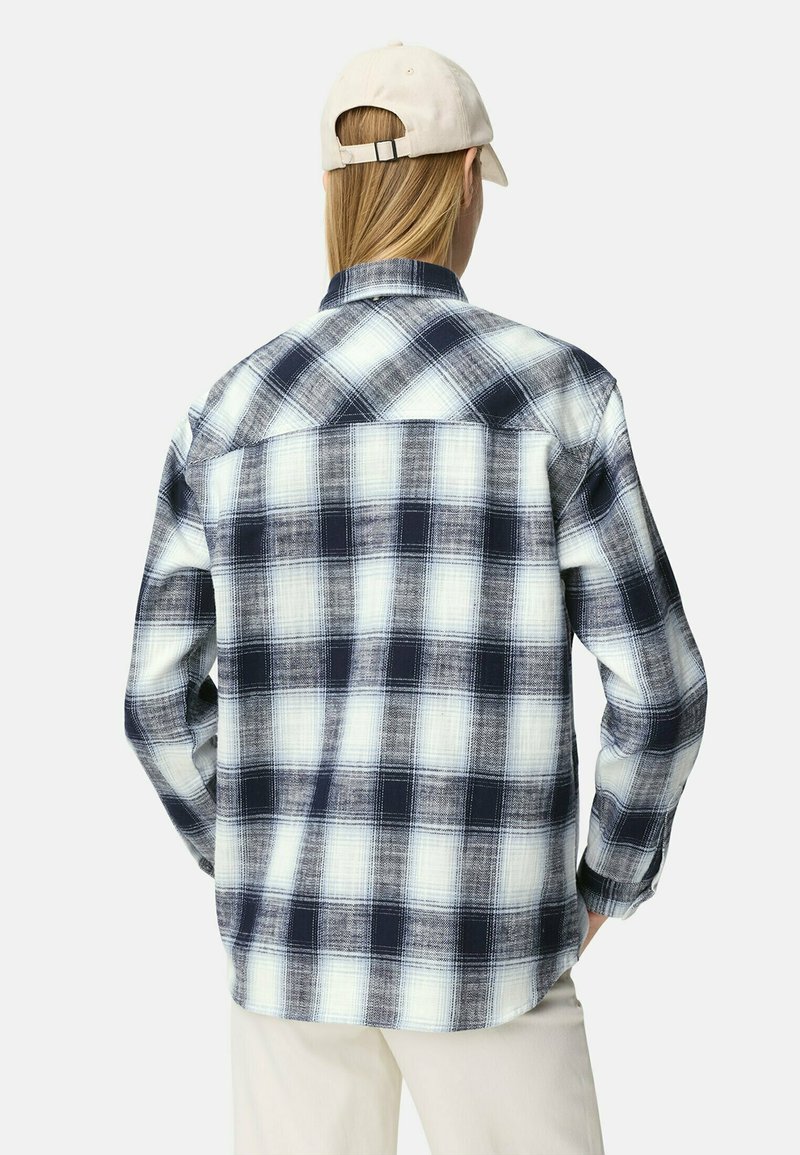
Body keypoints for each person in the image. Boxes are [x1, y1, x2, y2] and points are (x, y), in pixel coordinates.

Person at [123, 40, 708, 1155]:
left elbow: (155, 701)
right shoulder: (557, 395)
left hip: (287, 956)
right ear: (465, 179)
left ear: (330, 191)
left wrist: (256, 859)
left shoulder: (227, 412)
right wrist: (604, 883)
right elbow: (662, 688)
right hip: (493, 944)